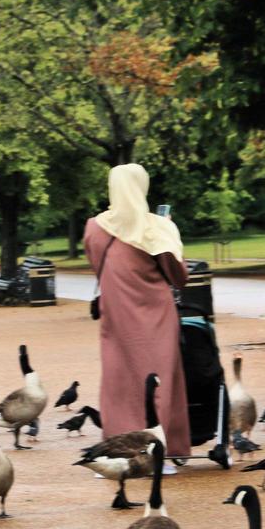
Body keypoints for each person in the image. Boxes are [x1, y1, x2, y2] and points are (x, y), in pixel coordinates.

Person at [84, 163, 189, 465]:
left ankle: (118, 451)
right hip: (156, 317)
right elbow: (179, 276)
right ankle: (159, 452)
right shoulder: (155, 227)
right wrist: (169, 229)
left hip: (115, 316)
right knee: (160, 381)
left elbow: (98, 266)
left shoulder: (94, 227)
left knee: (118, 383)